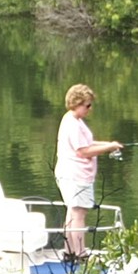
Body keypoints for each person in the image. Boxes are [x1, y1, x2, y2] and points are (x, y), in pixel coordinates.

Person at [54, 83, 121, 259]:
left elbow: (88, 144)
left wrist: (109, 144)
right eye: (87, 105)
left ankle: (69, 252)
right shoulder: (73, 124)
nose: (90, 109)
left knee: (73, 211)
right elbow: (83, 151)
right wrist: (108, 148)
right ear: (77, 103)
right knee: (79, 214)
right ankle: (80, 254)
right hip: (75, 176)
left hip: (72, 175)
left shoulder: (73, 120)